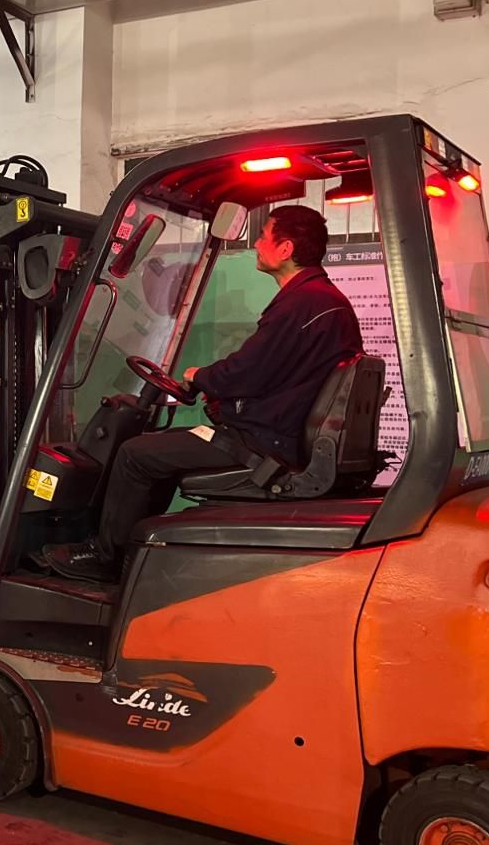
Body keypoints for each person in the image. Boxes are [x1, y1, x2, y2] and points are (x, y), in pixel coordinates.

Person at [66, 204, 363, 576]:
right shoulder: (322, 300)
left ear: (285, 249)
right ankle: (138, 554)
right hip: (278, 433)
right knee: (161, 450)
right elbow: (268, 370)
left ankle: (107, 558)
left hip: (264, 443)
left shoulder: (303, 303)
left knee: (133, 454)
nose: (256, 245)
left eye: (262, 237)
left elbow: (247, 371)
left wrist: (200, 376)